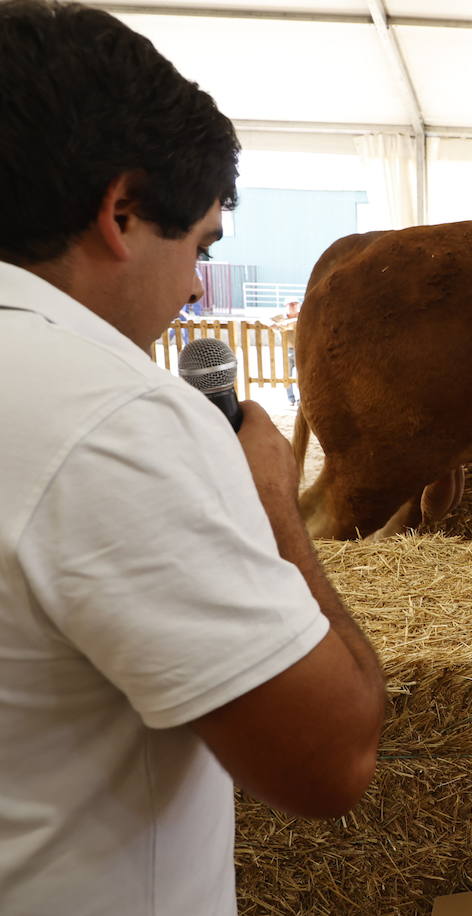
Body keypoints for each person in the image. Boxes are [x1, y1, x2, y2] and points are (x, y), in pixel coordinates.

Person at [0, 2, 386, 912]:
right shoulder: (113, 417)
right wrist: (271, 504)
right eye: (200, 243)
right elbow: (335, 758)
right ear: (121, 212)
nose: (196, 287)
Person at [271, 297, 301, 406]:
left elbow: (295, 323)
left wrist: (281, 325)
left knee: (299, 376)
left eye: (295, 304)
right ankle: (290, 398)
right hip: (286, 349)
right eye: (290, 304)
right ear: (286, 306)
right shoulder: (281, 316)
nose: (293, 306)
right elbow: (265, 320)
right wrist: (275, 326)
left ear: (298, 305)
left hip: (300, 349)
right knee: (286, 375)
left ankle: (299, 399)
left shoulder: (302, 316)